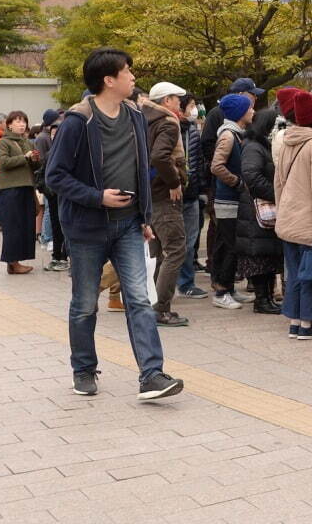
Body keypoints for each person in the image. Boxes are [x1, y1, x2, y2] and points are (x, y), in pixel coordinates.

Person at [45, 47, 183, 402]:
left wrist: (144, 217)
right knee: (85, 303)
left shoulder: (135, 115)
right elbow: (54, 176)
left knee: (138, 299)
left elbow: (140, 170)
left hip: (128, 227)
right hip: (86, 229)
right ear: (109, 80)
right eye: (127, 71)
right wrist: (97, 197)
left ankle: (151, 375)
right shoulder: (78, 120)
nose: (133, 76)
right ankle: (84, 369)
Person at [275, 89, 312, 340]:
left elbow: (278, 182)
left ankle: (295, 320)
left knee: (295, 272)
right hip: (309, 220)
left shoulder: (287, 140)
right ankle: (308, 324)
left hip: (288, 219)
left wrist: (282, 211)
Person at [142, 82, 191, 328]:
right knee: (175, 250)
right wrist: (174, 181)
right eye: (176, 98)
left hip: (149, 194)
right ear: (166, 101)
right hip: (164, 195)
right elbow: (160, 157)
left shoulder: (144, 120)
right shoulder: (167, 123)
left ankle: (154, 303)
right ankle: (161, 309)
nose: (180, 103)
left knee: (160, 252)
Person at [208, 92, 255, 309]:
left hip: (233, 200)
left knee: (229, 244)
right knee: (229, 246)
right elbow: (216, 166)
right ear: (239, 113)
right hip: (228, 200)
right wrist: (237, 183)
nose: (253, 111)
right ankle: (221, 292)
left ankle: (229, 288)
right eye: (249, 108)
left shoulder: (237, 134)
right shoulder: (228, 136)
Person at [237, 106, 283, 313]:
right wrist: (275, 194)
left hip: (259, 208)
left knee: (266, 255)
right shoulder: (254, 147)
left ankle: (267, 298)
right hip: (256, 209)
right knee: (259, 256)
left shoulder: (260, 145)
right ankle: (262, 300)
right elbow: (252, 176)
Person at [0, 111, 40, 274]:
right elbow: (3, 162)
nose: (22, 125)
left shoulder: (27, 142)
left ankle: (15, 261)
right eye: (18, 121)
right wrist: (25, 157)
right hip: (10, 189)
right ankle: (12, 262)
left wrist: (35, 160)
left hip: (26, 187)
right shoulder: (4, 142)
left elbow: (34, 166)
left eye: (24, 122)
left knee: (25, 226)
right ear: (9, 125)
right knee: (12, 226)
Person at [177, 100, 208, 300]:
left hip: (192, 194)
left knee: (190, 241)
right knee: (170, 245)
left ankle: (186, 283)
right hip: (171, 194)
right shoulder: (165, 128)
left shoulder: (193, 131)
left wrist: (200, 190)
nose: (194, 110)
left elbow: (198, 162)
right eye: (190, 106)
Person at [36, 111, 68, 266]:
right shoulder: (49, 153)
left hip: (65, 196)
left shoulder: (66, 152)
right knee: (57, 225)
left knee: (64, 226)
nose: (54, 136)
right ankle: (57, 255)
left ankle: (62, 255)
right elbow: (42, 174)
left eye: (58, 133)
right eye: (53, 133)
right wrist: (48, 191)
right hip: (54, 195)